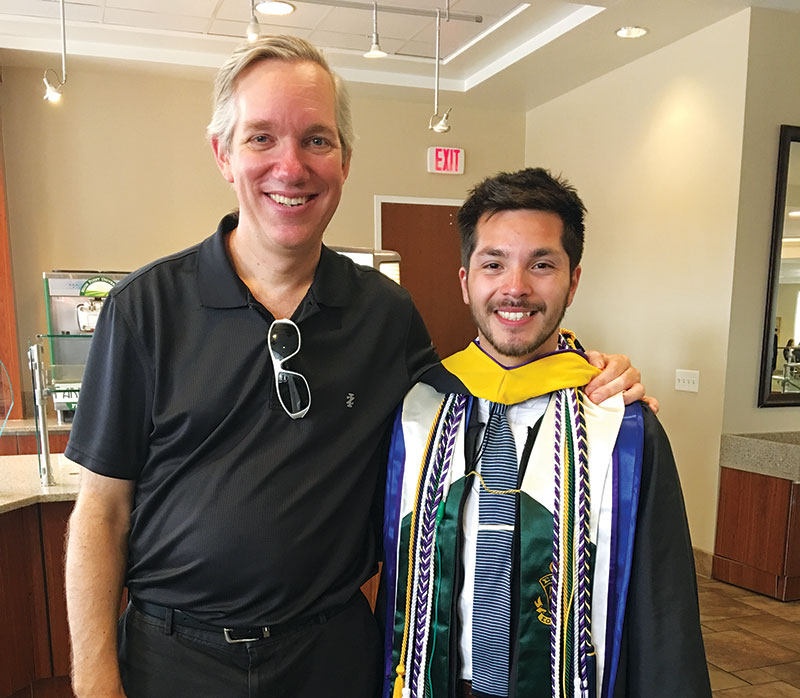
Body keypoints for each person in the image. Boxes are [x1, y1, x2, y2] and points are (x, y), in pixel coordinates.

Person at [64, 37, 645, 698]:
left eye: (317, 140)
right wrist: (94, 679)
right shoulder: (145, 309)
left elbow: (476, 409)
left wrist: (585, 368)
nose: (292, 166)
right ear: (223, 154)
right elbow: (101, 514)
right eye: (261, 138)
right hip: (175, 660)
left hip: (332, 658)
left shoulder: (386, 315)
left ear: (344, 160)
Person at [381, 168, 710, 698]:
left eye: (541, 264)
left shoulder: (622, 429)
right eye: (493, 264)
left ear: (573, 280)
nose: (516, 287)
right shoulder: (418, 411)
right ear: (466, 282)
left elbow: (663, 610)